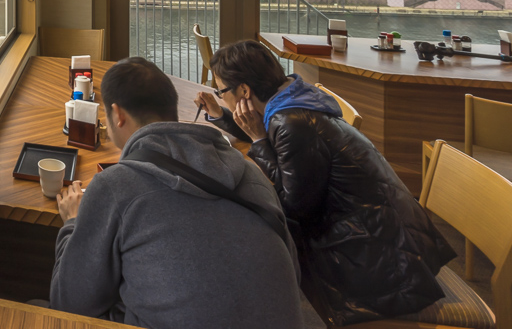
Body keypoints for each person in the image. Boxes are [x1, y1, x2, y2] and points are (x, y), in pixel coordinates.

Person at [195, 40, 455, 326]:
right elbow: (272, 140)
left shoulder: (293, 124)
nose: (221, 97)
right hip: (388, 239)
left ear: (244, 91)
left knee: (253, 249)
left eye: (221, 92)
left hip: (379, 264)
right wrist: (221, 116)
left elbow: (295, 208)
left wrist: (258, 142)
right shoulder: (293, 101)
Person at [50, 57, 301, 329]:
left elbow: (68, 303)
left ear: (117, 114)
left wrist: (73, 222)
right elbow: (293, 272)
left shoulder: (115, 185)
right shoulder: (251, 174)